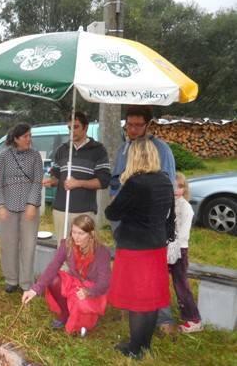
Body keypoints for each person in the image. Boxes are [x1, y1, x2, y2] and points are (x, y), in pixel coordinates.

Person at [105, 137, 175, 360]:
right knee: (151, 298)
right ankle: (145, 345)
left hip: (135, 247)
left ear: (135, 157)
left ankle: (134, 348)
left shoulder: (135, 183)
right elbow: (169, 214)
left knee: (137, 300)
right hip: (156, 245)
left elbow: (111, 213)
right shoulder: (165, 180)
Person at [22, 215, 111, 334]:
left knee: (82, 323)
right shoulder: (67, 245)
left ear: (91, 234)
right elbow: (53, 266)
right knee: (53, 279)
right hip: (75, 283)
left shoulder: (102, 252)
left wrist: (88, 292)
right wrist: (35, 289)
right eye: (74, 232)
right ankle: (66, 313)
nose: (76, 237)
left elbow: (104, 283)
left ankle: (86, 317)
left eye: (81, 233)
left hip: (93, 289)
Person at [43, 112, 110, 242]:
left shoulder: (98, 150)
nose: (71, 131)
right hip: (61, 210)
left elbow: (104, 181)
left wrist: (78, 183)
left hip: (84, 211)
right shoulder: (62, 150)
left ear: (86, 127)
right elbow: (57, 177)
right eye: (69, 128)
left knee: (85, 253)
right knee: (63, 252)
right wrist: (49, 181)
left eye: (76, 127)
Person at [0, 123, 43, 293]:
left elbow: (38, 181)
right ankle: (11, 279)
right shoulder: (3, 156)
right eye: (25, 136)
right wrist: (0, 205)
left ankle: (26, 283)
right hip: (7, 207)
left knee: (28, 245)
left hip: (29, 208)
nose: (29, 139)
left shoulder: (35, 155)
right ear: (16, 139)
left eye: (30, 135)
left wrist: (31, 204)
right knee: (8, 244)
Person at [167, 172, 203, 333]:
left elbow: (183, 234)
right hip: (165, 248)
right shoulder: (168, 203)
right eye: (174, 185)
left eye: (180, 186)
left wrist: (173, 249)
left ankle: (193, 319)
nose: (176, 189)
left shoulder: (185, 207)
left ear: (185, 189)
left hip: (179, 250)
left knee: (181, 284)